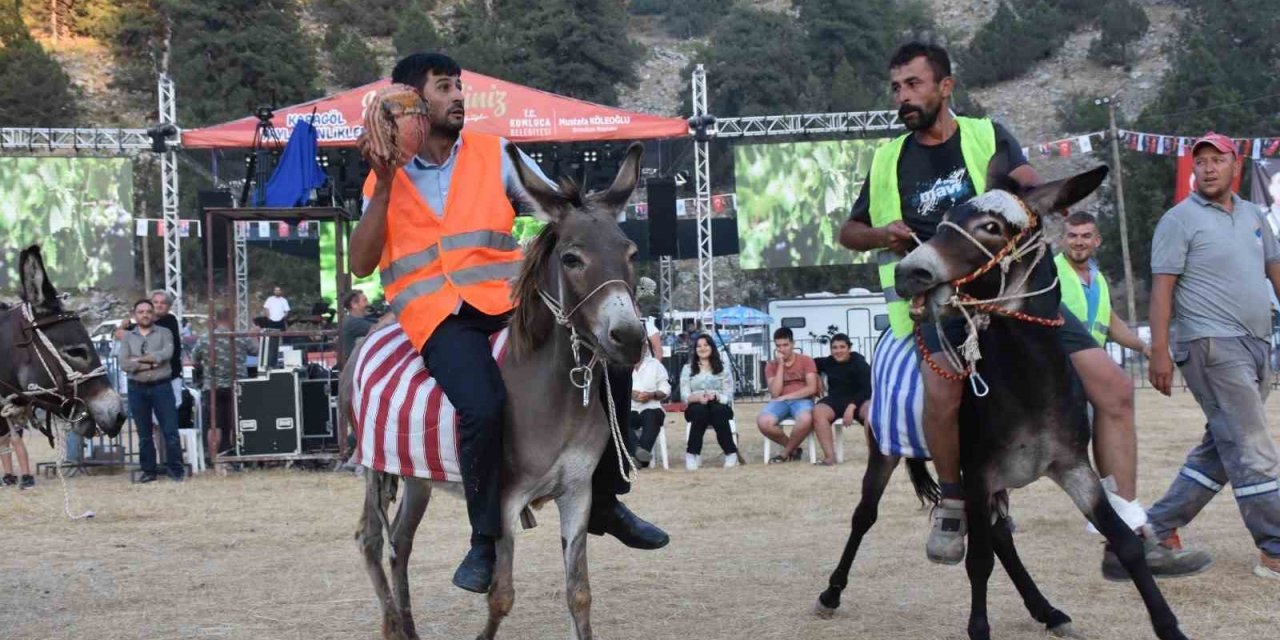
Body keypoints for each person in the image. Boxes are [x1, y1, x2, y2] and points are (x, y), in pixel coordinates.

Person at [838, 42, 1198, 577]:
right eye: (896, 87)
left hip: (1017, 296)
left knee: (1116, 390)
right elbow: (848, 232)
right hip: (942, 303)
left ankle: (1124, 527)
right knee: (942, 394)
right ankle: (955, 502)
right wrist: (878, 235)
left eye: (913, 84)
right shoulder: (890, 157)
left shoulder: (988, 135)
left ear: (945, 86)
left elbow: (1025, 183)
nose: (903, 97)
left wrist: (1052, 195)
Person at [350, 52, 667, 593]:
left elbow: (559, 210)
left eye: (460, 86)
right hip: (438, 320)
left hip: (506, 304)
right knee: (482, 405)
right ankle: (484, 541)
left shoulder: (494, 153)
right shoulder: (385, 177)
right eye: (444, 86)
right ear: (410, 102)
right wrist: (382, 182)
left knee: (607, 356)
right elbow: (361, 264)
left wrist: (601, 214)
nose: (458, 96)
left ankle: (606, 501)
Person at [1144, 132, 1280, 581]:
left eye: (1216, 160)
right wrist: (1159, 352)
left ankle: (1156, 531)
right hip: (1209, 345)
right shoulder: (1179, 220)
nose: (1206, 167)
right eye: (1199, 160)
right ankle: (1274, 549)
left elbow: (1274, 271)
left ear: (1234, 166)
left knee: (1221, 450)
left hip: (1257, 344)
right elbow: (1162, 289)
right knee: (1254, 447)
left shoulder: (1255, 216)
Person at [117, 299, 183, 482]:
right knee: (144, 434)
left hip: (161, 386)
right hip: (136, 389)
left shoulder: (165, 333)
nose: (145, 315)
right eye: (140, 312)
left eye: (148, 311)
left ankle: (176, 470)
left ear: (153, 314)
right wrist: (152, 363)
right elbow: (123, 363)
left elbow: (166, 355)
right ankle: (149, 471)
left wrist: (137, 361)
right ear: (135, 314)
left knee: (170, 431)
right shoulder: (129, 337)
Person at [192, 311, 257, 463]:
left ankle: (215, 458)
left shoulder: (205, 338)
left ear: (215, 319)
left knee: (214, 425)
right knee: (236, 422)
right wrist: (254, 335)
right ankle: (237, 455)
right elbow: (256, 351)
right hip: (237, 385)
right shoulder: (240, 336)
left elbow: (195, 359)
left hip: (212, 386)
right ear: (231, 319)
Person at [757, 327, 818, 463]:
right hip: (779, 401)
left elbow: (812, 388)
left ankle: (784, 453)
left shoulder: (806, 361)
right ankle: (794, 449)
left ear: (793, 344)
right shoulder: (771, 365)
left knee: (806, 419)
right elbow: (775, 393)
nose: (782, 349)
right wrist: (781, 366)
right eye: (778, 346)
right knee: (763, 422)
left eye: (785, 345)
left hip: (802, 400)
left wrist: (788, 396)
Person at [812, 334, 872, 466]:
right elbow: (809, 364)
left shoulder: (859, 363)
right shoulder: (828, 362)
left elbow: (868, 389)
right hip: (835, 400)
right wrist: (816, 377)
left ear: (849, 348)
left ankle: (874, 456)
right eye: (834, 348)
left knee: (871, 411)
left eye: (842, 347)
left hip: (859, 401)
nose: (838, 351)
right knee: (818, 411)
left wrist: (852, 406)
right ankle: (830, 457)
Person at [680, 334, 737, 470]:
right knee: (700, 412)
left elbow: (729, 394)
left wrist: (716, 396)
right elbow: (684, 394)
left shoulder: (723, 368)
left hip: (718, 404)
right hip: (696, 405)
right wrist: (698, 398)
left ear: (712, 347)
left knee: (719, 412)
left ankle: (730, 452)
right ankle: (692, 454)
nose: (702, 348)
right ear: (695, 350)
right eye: (699, 346)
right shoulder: (688, 369)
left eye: (706, 345)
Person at [630, 341, 670, 468]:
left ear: (645, 347)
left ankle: (637, 457)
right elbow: (614, 390)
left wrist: (651, 395)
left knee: (652, 416)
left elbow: (665, 388)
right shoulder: (621, 365)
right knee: (620, 420)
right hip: (630, 407)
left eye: (640, 345)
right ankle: (638, 452)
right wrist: (630, 393)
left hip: (651, 406)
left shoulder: (655, 365)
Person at [149, 290, 185, 408]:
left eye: (163, 303)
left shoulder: (169, 320)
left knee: (172, 407)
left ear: (168, 306)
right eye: (155, 302)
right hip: (149, 377)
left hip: (170, 375)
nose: (159, 305)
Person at [340, 289, 378, 360]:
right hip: (356, 366)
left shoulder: (365, 319)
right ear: (354, 305)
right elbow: (379, 328)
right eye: (365, 301)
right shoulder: (352, 322)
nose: (368, 304)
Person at [0, 416, 33, 489]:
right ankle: (9, 475)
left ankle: (26, 476)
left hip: (13, 408)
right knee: (2, 440)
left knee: (16, 439)